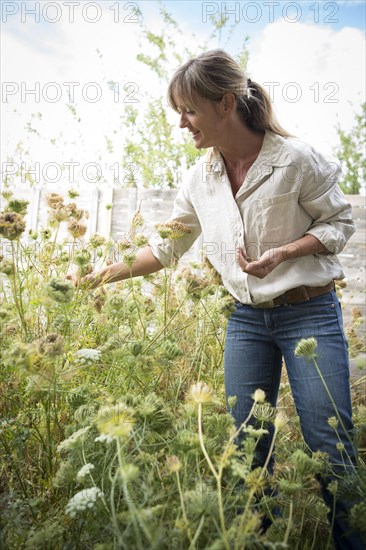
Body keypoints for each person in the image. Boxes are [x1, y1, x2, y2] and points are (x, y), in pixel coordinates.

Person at [69, 50, 363, 549]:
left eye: (188, 110)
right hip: (246, 321)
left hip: (308, 311)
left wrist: (287, 251)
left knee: (329, 444)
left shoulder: (295, 159)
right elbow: (166, 248)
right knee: (248, 448)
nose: (181, 123)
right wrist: (104, 275)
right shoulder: (198, 178)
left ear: (226, 103)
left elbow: (339, 224)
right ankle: (260, 541)